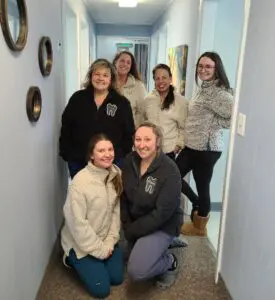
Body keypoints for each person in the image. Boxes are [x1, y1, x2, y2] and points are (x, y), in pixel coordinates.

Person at [176, 51, 233, 236]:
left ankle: (199, 227)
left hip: (206, 149)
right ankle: (196, 202)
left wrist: (215, 123)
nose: (203, 69)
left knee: (203, 186)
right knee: (173, 175)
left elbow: (234, 117)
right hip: (192, 146)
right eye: (200, 66)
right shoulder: (202, 87)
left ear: (216, 69)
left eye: (208, 66)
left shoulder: (219, 93)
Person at [61, 134, 124, 299]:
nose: (107, 154)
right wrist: (101, 251)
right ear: (91, 155)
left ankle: (100, 259)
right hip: (80, 243)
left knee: (117, 278)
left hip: (105, 238)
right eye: (101, 150)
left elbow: (115, 213)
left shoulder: (116, 173)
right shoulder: (80, 183)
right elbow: (78, 225)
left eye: (110, 149)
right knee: (101, 290)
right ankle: (72, 259)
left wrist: (110, 241)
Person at [121, 122, 183, 288]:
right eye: (138, 139)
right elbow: (124, 196)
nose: (142, 145)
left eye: (147, 139)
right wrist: (127, 224)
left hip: (162, 225)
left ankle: (170, 261)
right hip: (137, 222)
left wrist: (132, 231)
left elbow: (161, 214)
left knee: (136, 270)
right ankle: (151, 245)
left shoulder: (170, 170)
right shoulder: (129, 161)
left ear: (158, 142)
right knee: (124, 258)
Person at [59, 58, 135, 178]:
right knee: (82, 195)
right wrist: (67, 153)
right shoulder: (78, 98)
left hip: (110, 163)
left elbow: (129, 133)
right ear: (91, 76)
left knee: (108, 196)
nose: (101, 78)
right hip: (79, 161)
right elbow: (66, 126)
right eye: (97, 74)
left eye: (105, 75)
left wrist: (121, 157)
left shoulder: (121, 103)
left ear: (111, 80)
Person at [144, 63, 188, 160]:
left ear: (170, 79)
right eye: (157, 78)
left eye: (164, 77)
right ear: (154, 80)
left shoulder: (181, 101)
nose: (161, 81)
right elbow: (143, 123)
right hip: (149, 150)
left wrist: (178, 146)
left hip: (169, 152)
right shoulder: (147, 100)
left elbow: (184, 127)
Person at [113, 50, 147, 127]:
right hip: (109, 131)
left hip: (130, 133)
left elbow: (142, 112)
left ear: (131, 67)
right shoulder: (107, 83)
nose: (125, 64)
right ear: (115, 62)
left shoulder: (139, 86)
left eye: (128, 62)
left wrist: (137, 131)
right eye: (122, 61)